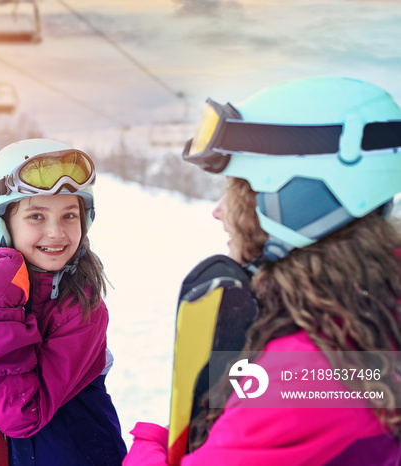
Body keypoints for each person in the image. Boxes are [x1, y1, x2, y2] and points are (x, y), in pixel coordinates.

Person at [123, 76, 401, 465]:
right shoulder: (371, 309)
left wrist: (150, 443)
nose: (219, 210)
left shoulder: (304, 369)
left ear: (294, 199)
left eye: (238, 189)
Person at [0, 138, 127, 465]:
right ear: (1, 224)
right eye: (37, 216)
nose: (56, 232)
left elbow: (21, 417)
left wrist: (3, 312)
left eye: (69, 215)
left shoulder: (82, 307)